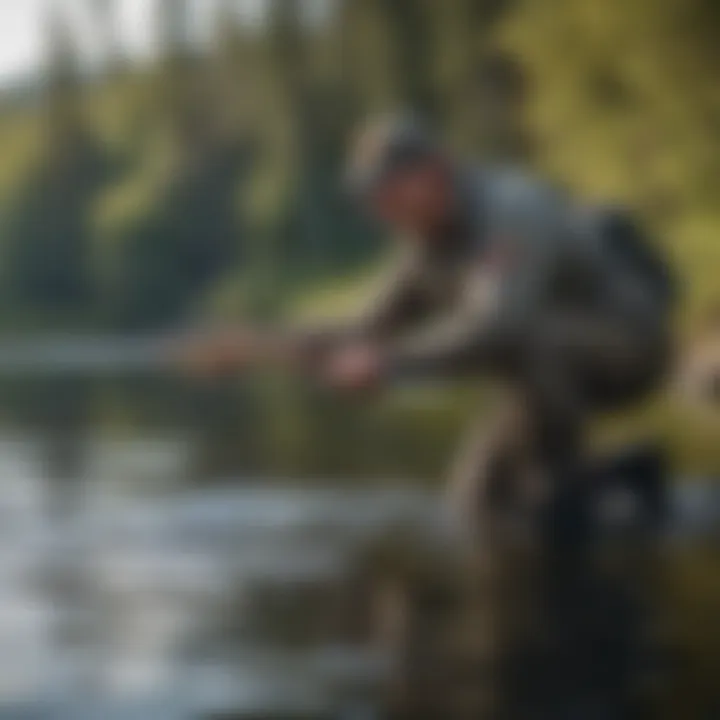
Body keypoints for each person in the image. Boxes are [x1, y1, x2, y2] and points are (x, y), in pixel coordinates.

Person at [189, 113, 674, 539]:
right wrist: (257, 348)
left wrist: (387, 365)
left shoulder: (511, 209)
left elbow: (496, 327)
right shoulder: (423, 246)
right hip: (546, 374)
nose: (379, 208)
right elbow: (366, 329)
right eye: (369, 197)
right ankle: (625, 475)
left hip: (630, 347)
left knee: (533, 349)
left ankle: (567, 491)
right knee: (477, 504)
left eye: (390, 189)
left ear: (437, 170)